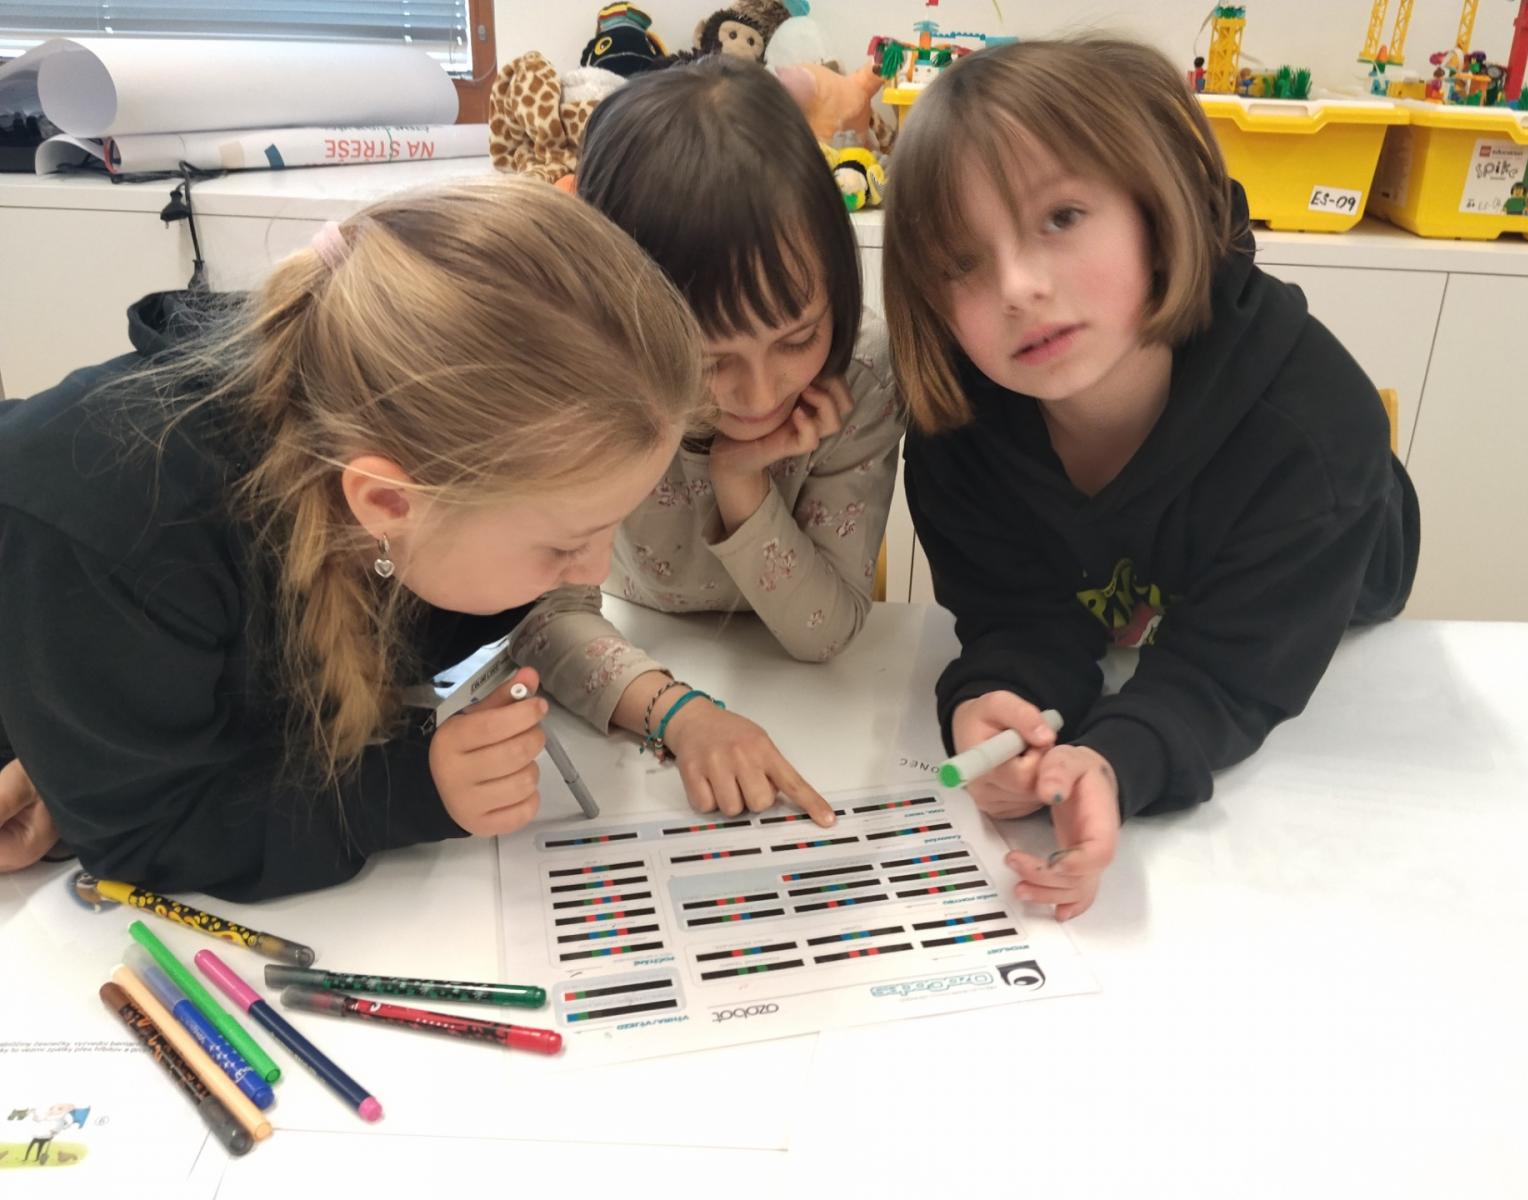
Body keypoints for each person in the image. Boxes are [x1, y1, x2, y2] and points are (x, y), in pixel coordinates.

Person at [0, 176, 706, 899]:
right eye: (564, 546)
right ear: (386, 502)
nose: (594, 570)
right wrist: (408, 791)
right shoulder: (120, 533)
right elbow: (151, 831)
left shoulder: (378, 444)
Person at [883, 38, 1420, 918]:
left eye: (1061, 217)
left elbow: (1231, 673)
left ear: (1154, 210)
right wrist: (995, 699)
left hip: (1332, 573)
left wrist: (1120, 759)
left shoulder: (1316, 432)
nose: (1017, 286)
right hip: (1125, 579)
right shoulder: (958, 438)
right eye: (961, 262)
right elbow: (1019, 614)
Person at [515, 57, 902, 824]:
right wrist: (681, 715)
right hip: (629, 637)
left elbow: (825, 633)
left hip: (811, 688)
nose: (759, 396)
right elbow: (539, 614)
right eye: (709, 362)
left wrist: (741, 478)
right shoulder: (579, 371)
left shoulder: (859, 369)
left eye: (798, 338)